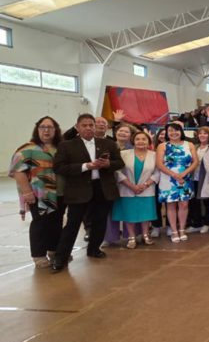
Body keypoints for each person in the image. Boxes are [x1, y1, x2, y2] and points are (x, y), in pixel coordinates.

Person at [51, 114, 124, 272]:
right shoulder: (66, 145)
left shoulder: (108, 144)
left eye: (91, 125)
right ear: (77, 127)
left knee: (100, 221)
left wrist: (108, 164)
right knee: (72, 224)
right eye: (84, 125)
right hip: (79, 189)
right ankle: (61, 257)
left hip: (103, 188)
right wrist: (85, 166)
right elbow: (59, 167)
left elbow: (119, 163)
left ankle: (94, 249)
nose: (88, 128)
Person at [9, 116, 64, 268]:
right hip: (39, 195)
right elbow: (17, 171)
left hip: (60, 193)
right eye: (42, 127)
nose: (46, 130)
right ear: (37, 129)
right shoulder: (28, 149)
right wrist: (27, 192)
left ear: (56, 130)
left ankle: (54, 250)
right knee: (40, 224)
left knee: (56, 222)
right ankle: (39, 255)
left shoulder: (61, 148)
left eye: (50, 127)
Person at [112, 131, 159, 248]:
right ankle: (131, 237)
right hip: (127, 189)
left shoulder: (154, 155)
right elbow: (117, 171)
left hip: (147, 190)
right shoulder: (123, 154)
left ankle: (145, 235)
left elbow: (157, 172)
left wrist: (146, 185)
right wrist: (131, 185)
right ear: (133, 141)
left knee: (146, 214)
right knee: (129, 214)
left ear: (149, 141)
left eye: (144, 139)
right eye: (138, 139)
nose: (141, 141)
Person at [156, 123, 199, 243]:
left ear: (181, 131)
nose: (174, 133)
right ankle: (174, 231)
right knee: (171, 205)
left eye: (176, 130)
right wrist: (175, 175)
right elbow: (159, 164)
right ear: (167, 132)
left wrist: (184, 174)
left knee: (184, 204)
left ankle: (182, 229)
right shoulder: (162, 146)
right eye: (170, 130)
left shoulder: (189, 144)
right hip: (168, 179)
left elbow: (195, 162)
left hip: (185, 178)